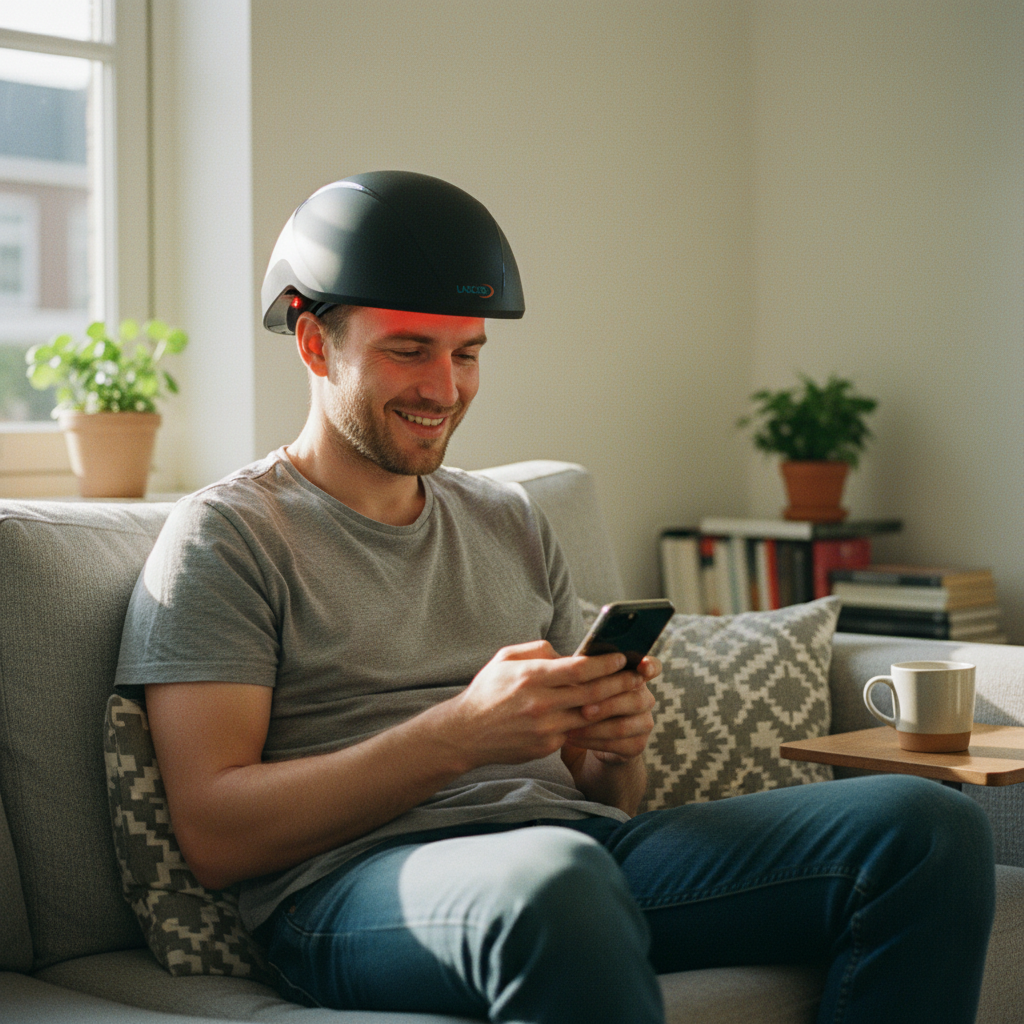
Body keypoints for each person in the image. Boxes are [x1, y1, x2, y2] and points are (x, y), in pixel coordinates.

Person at [116, 171, 995, 1024]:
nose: (444, 388)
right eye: (407, 350)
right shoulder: (227, 534)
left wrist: (614, 745)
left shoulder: (511, 518)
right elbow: (216, 832)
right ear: (314, 343)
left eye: (467, 354)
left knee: (925, 825)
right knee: (556, 883)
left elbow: (606, 801)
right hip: (355, 888)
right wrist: (456, 737)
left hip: (575, 854)